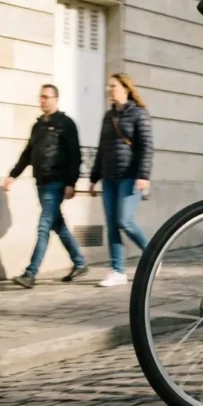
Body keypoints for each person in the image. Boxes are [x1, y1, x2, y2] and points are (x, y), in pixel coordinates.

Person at [2, 84, 86, 289]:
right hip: (41, 182)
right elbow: (27, 153)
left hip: (57, 183)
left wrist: (70, 183)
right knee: (58, 225)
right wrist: (12, 175)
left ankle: (31, 273)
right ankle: (80, 261)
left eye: (46, 97)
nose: (43, 101)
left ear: (56, 99)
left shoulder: (66, 124)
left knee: (44, 227)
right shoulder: (37, 126)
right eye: (41, 97)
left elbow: (75, 155)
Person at [89, 73, 154, 288]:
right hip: (109, 177)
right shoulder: (108, 116)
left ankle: (153, 253)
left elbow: (146, 146)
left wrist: (143, 175)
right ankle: (117, 271)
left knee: (124, 221)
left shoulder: (139, 114)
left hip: (130, 176)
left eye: (114, 86)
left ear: (125, 88)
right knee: (112, 225)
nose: (110, 89)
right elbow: (102, 148)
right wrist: (93, 177)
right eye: (109, 86)